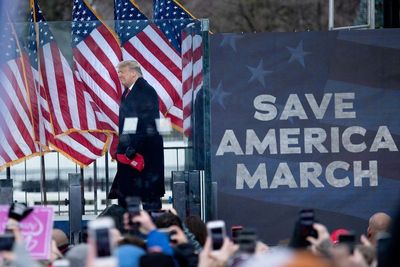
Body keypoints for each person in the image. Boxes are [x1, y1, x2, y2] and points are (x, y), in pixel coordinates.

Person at [108, 60, 165, 211]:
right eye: (118, 72)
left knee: (149, 200)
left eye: (122, 72)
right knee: (127, 198)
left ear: (133, 73)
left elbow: (149, 123)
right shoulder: (128, 93)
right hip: (130, 154)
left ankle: (151, 231)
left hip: (144, 155)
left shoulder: (146, 90)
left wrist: (133, 147)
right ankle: (129, 231)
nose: (119, 75)